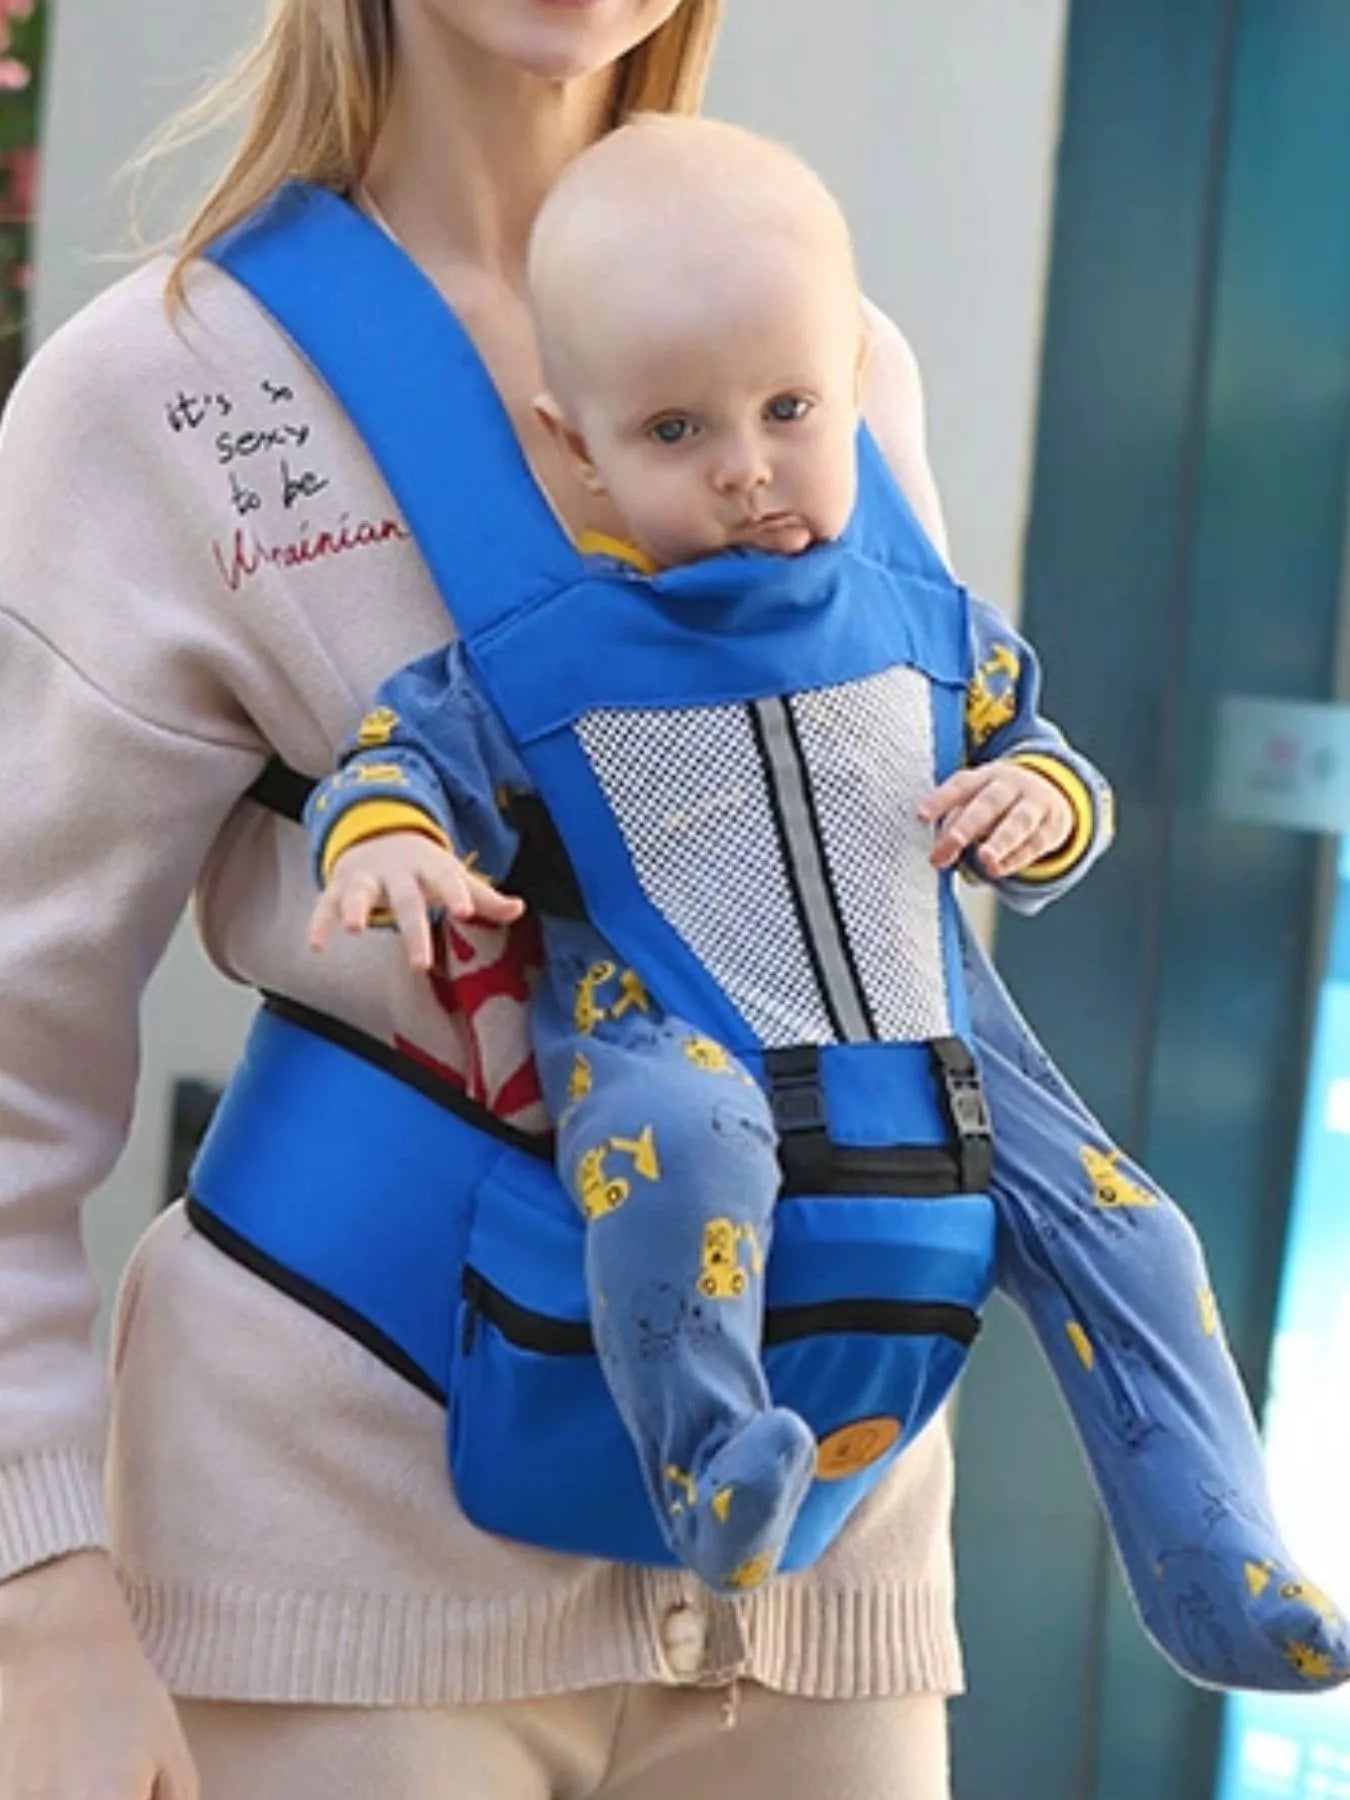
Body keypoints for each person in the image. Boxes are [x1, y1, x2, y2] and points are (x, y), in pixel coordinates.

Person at [0, 5, 973, 1797]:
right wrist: (36, 1592)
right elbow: (12, 1053)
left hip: (826, 1544)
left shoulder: (831, 350)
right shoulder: (168, 389)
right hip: (343, 1558)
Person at [304, 113, 1350, 1695]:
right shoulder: (543, 660)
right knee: (682, 1157)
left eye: (788, 410)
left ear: (850, 388)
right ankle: (712, 1461)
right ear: (576, 446)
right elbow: (400, 756)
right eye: (674, 431)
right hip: (665, 1024)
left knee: (1133, 1233)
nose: (746, 469)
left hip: (935, 1037)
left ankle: (1215, 1555)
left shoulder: (926, 623)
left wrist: (1039, 808)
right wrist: (382, 842)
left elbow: (1036, 753)